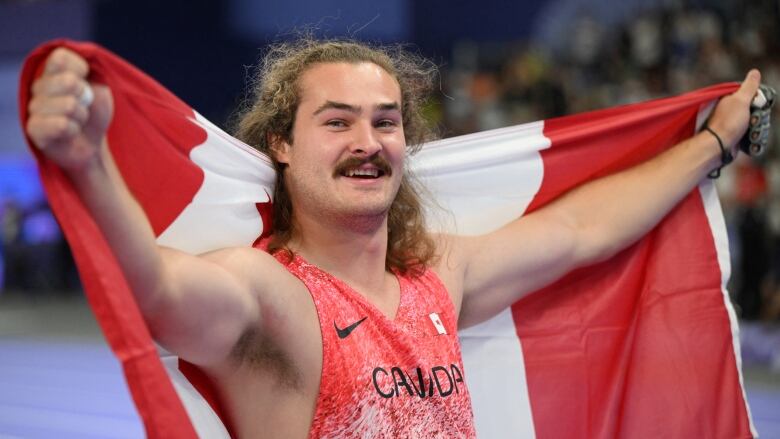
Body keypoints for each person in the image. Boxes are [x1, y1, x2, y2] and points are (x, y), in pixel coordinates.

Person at [25, 38, 760, 438]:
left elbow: (580, 231)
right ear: (281, 144)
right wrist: (90, 165)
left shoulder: (440, 276)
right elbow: (157, 288)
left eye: (385, 121)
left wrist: (713, 147)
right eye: (337, 121)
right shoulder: (271, 296)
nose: (367, 141)